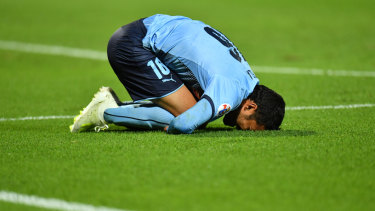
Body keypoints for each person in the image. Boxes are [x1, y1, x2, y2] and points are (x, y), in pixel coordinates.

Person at [70, 14, 285, 134]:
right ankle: (106, 110)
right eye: (249, 128)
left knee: (196, 106)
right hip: (133, 44)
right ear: (250, 106)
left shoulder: (247, 78)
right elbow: (184, 123)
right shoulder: (231, 90)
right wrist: (176, 125)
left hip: (148, 30)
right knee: (192, 116)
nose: (241, 130)